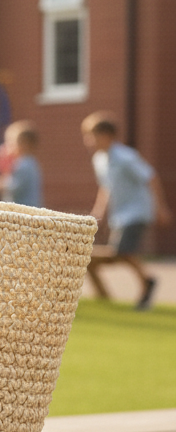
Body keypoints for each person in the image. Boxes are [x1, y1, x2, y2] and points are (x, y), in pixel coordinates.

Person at [82, 112, 172, 310]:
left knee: (122, 251)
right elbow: (106, 188)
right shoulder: (99, 159)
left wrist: (160, 207)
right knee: (119, 253)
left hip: (137, 210)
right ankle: (142, 283)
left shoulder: (125, 157)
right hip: (120, 214)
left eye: (91, 135)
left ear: (106, 135)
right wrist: (98, 214)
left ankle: (148, 281)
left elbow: (150, 177)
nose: (88, 141)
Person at [0, 120, 42, 207]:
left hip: (25, 210)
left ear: (24, 144)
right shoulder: (27, 162)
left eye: (11, 142)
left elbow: (14, 186)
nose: (8, 146)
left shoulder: (24, 164)